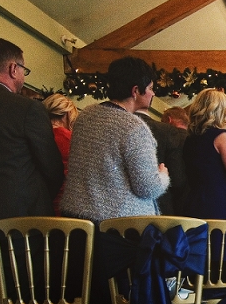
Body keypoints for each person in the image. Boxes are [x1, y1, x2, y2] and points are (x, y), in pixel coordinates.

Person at [0, 38, 63, 304]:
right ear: (12, 68)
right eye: (23, 70)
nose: (23, 77)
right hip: (18, 229)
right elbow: (52, 168)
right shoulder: (26, 109)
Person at [61, 56, 169, 222]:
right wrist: (162, 175)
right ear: (135, 91)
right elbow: (147, 187)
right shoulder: (134, 127)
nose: (153, 93)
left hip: (76, 221)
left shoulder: (85, 116)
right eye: (150, 88)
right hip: (117, 226)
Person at [183, 89, 226, 262]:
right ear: (220, 111)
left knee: (201, 259)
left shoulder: (189, 140)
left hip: (195, 202)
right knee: (222, 257)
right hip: (220, 203)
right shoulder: (221, 137)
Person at [135, 105, 186, 215]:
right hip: (178, 203)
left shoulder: (165, 132)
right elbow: (177, 179)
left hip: (146, 202)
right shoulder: (193, 139)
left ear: (169, 119)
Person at [42, 93, 78, 216]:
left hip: (40, 207)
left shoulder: (38, 138)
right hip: (66, 207)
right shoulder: (71, 139)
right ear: (67, 116)